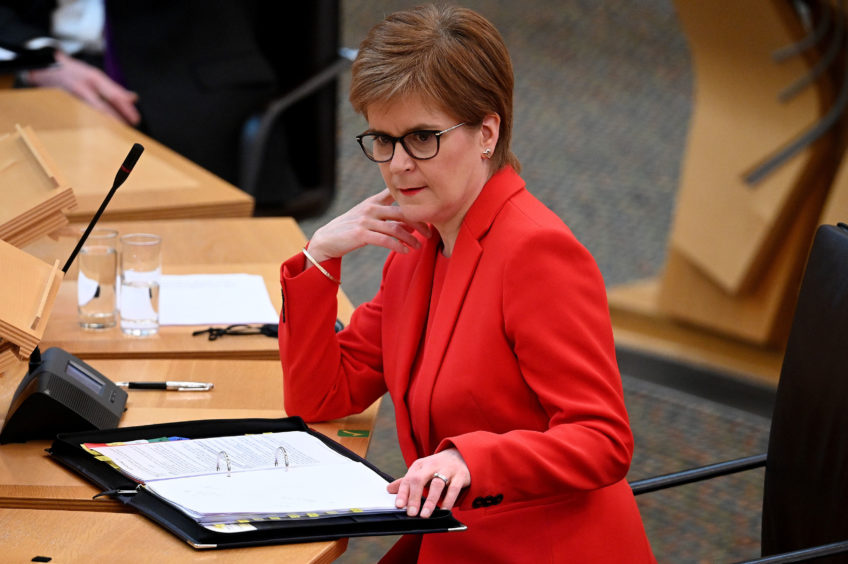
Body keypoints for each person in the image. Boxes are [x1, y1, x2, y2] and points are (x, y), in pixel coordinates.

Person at [278, 5, 656, 563]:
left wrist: (472, 461)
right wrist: (319, 257)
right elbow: (322, 396)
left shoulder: (536, 253)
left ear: (486, 131)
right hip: (456, 541)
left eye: (422, 138)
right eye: (382, 139)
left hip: (539, 550)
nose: (398, 165)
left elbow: (603, 439)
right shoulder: (418, 244)